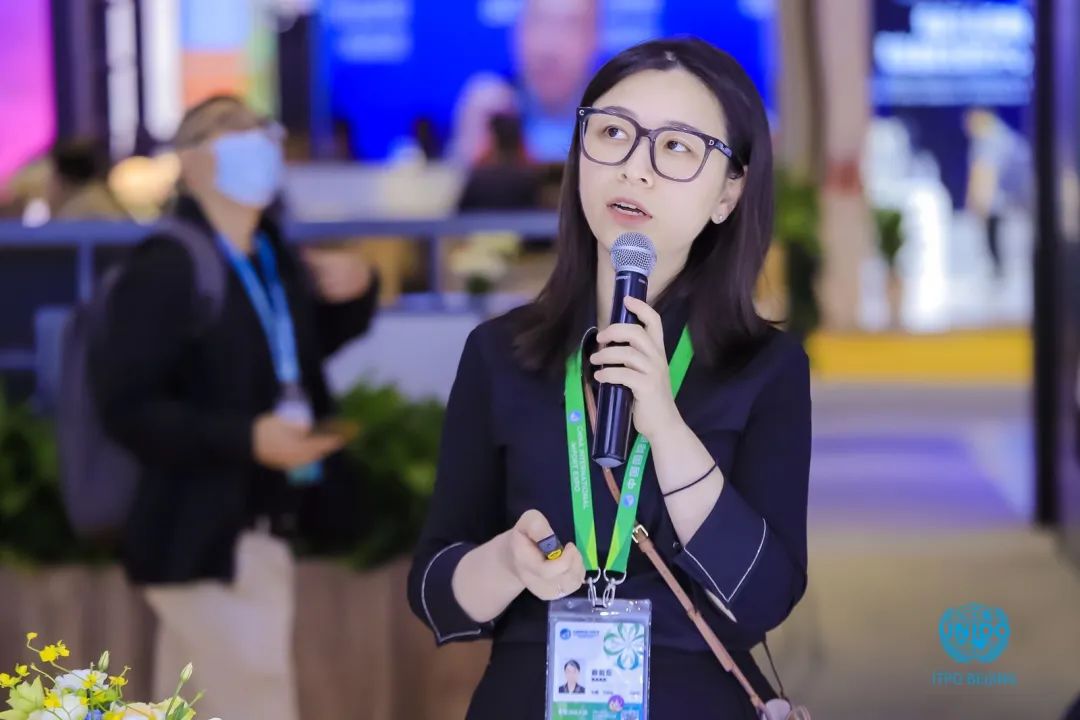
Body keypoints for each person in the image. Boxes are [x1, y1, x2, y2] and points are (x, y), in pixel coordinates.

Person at [408, 38, 810, 718]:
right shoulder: (499, 353)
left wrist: (666, 426)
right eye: (614, 133)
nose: (635, 169)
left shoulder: (765, 367)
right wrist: (508, 563)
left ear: (729, 191)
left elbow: (765, 597)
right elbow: (434, 595)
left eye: (676, 147)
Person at [90, 95, 378, 720]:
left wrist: (359, 291)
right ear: (191, 162)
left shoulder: (269, 253)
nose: (257, 142)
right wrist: (246, 438)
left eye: (260, 129)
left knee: (200, 703)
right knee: (253, 701)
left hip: (262, 525)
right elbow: (127, 405)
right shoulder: (167, 267)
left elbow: (296, 357)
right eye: (231, 131)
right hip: (200, 537)